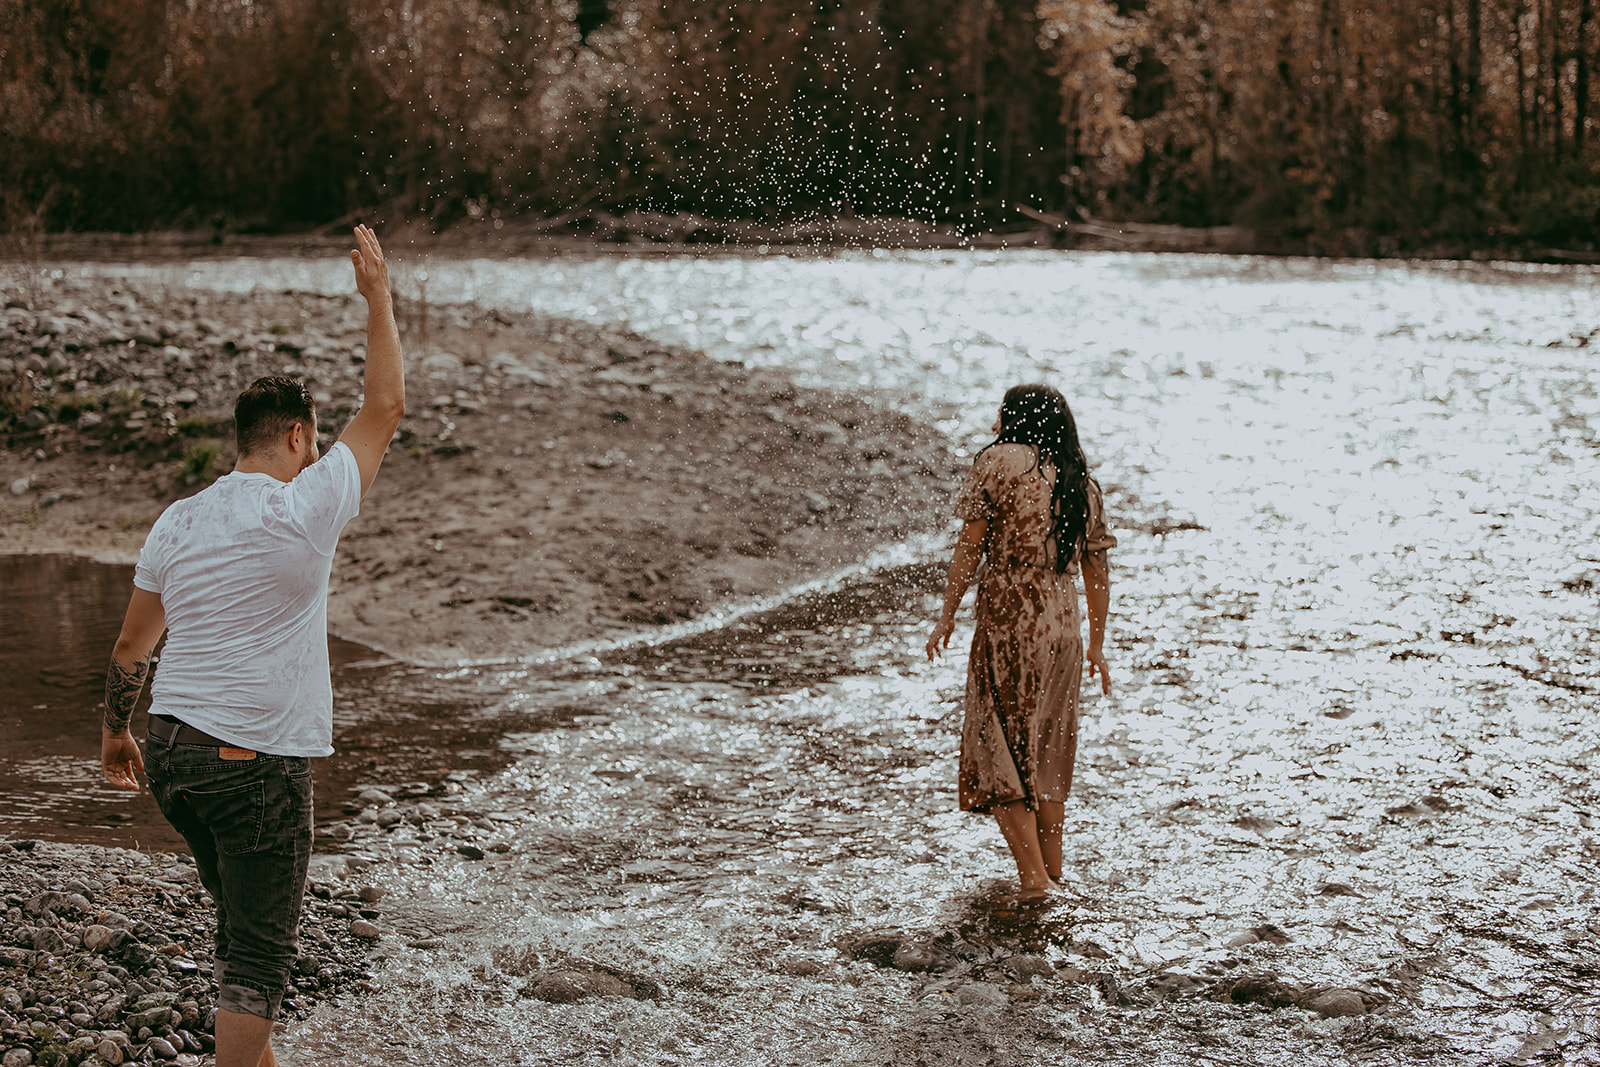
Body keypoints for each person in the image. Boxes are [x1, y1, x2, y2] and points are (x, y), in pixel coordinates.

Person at [99, 225, 405, 1067]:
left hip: (170, 757)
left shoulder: (181, 517)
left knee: (241, 937)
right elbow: (384, 410)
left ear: (241, 439)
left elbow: (132, 646)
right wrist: (378, 298)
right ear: (301, 439)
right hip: (253, 764)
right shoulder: (306, 506)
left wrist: (114, 732)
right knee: (261, 966)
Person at [926, 383, 1115, 902]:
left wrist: (947, 614)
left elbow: (971, 544)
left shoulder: (999, 462)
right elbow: (1096, 570)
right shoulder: (1080, 479)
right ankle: (1055, 877)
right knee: (1049, 747)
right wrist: (1096, 645)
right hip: (1064, 622)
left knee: (998, 743)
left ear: (1013, 417)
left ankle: (1033, 883)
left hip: (1012, 616)